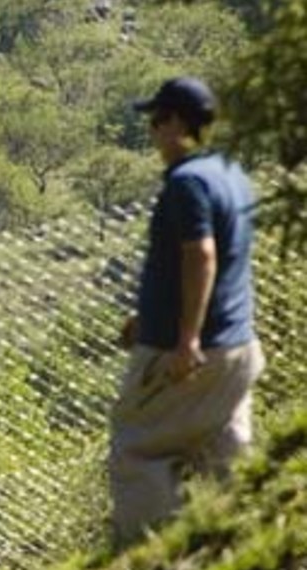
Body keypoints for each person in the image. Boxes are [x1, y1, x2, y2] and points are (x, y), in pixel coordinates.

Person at [109, 76, 264, 546]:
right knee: (225, 447)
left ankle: (147, 552)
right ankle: (239, 541)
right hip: (238, 346)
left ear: (177, 122)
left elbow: (202, 254)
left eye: (157, 120)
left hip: (191, 352)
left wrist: (186, 338)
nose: (153, 131)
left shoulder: (186, 183)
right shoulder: (232, 174)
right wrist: (148, 318)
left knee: (138, 446)